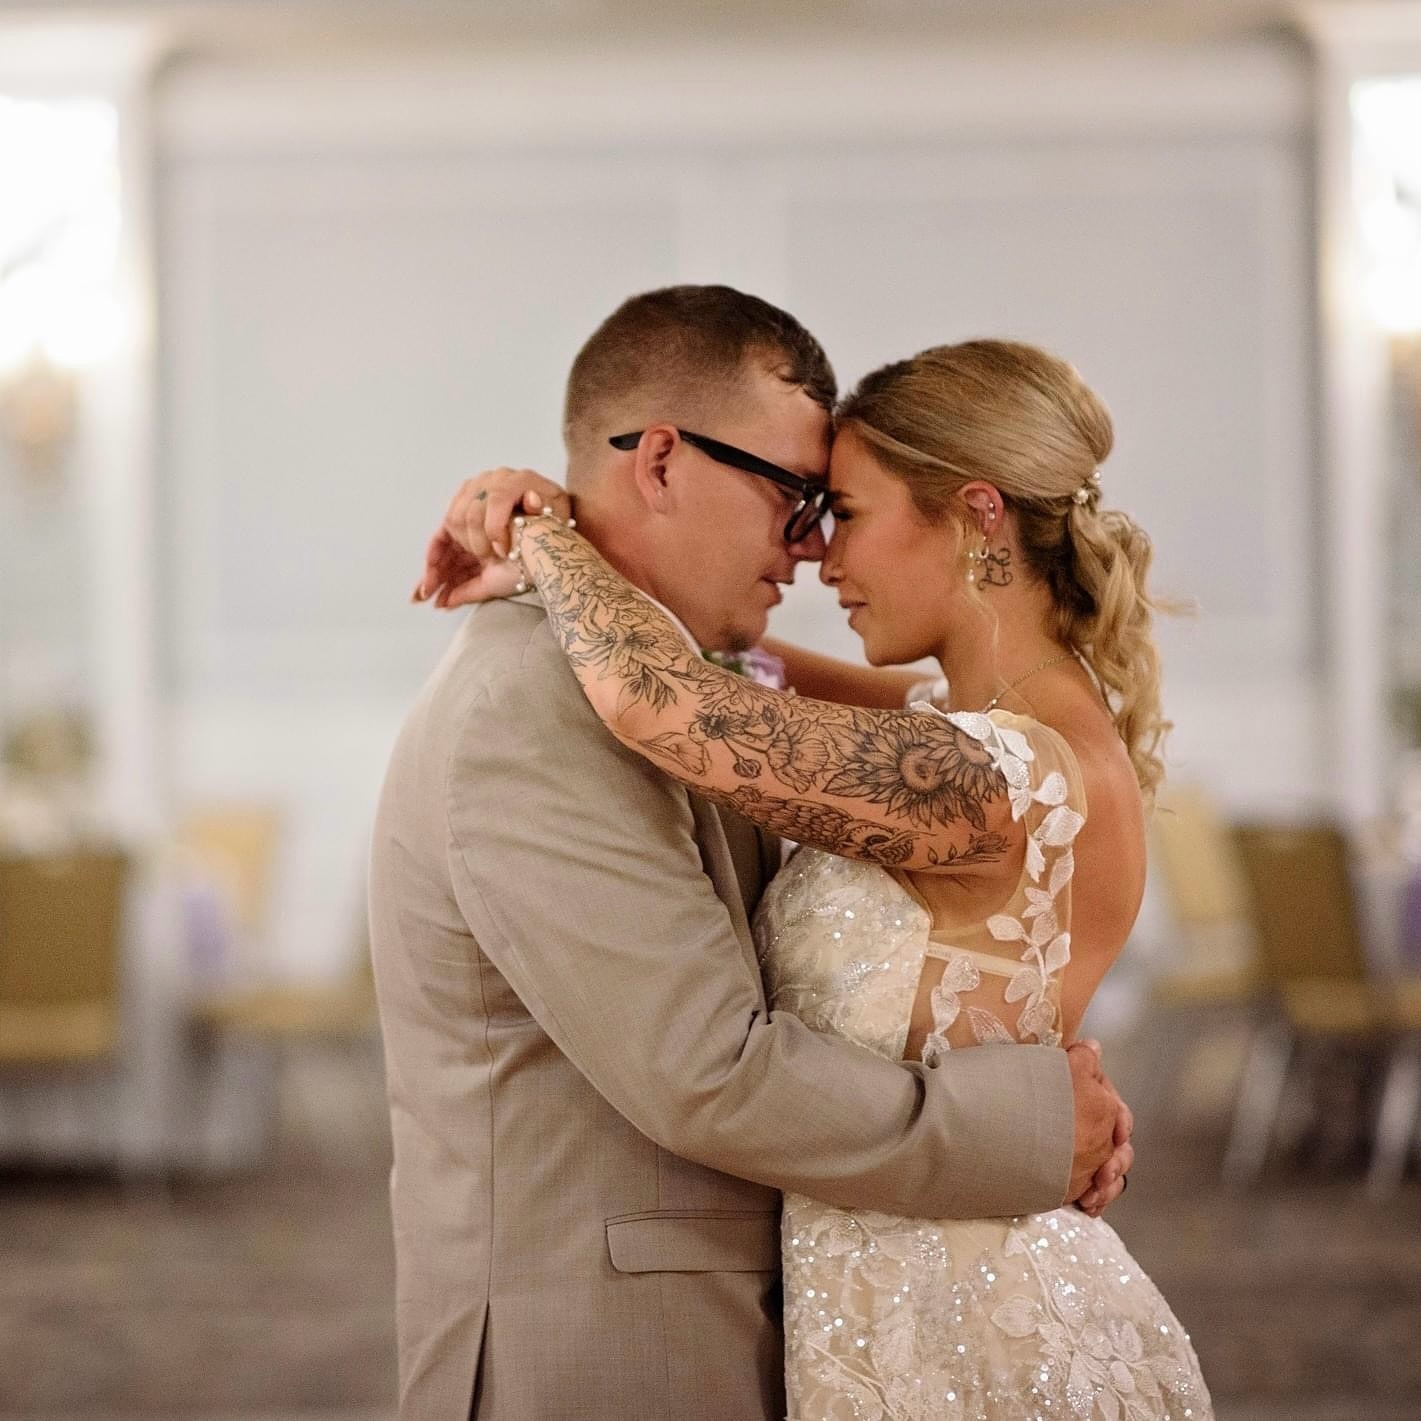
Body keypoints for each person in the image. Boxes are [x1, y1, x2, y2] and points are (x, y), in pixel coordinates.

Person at [374, 286, 1131, 1421]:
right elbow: (703, 1068)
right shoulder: (530, 703)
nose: (811, 545)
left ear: (975, 517)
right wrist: (547, 536)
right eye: (795, 496)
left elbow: (677, 697)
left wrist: (549, 536)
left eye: (837, 508)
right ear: (664, 461)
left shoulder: (963, 754)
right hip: (602, 1356)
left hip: (900, 1317)